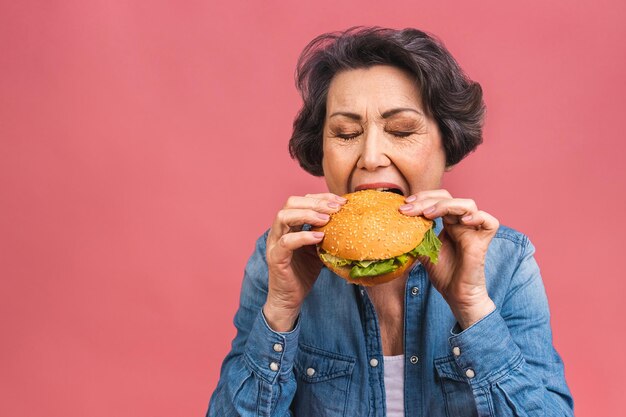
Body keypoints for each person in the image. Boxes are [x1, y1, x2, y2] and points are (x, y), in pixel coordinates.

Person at [206, 26, 574, 416]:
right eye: (346, 133)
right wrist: (280, 309)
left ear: (447, 143)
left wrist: (472, 307)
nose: (371, 157)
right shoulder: (279, 259)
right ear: (323, 151)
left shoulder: (506, 263)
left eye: (401, 130)